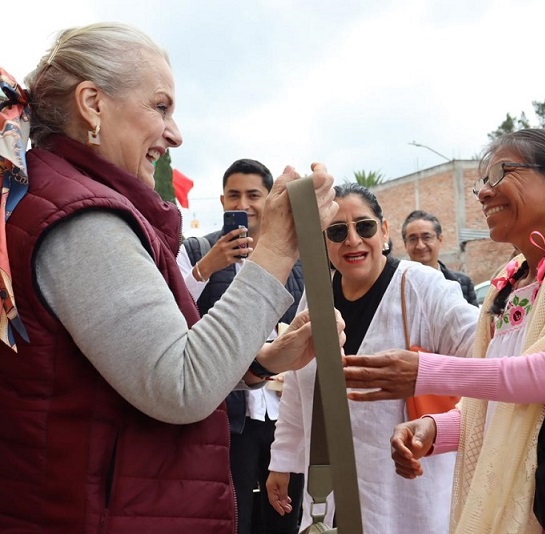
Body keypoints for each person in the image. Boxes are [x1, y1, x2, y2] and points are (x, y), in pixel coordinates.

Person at [0, 23, 340, 532]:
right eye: (161, 107)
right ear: (92, 103)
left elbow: (120, 373)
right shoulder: (81, 220)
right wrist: (275, 250)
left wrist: (262, 361)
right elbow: (178, 385)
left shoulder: (58, 199)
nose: (176, 134)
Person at [342, 129, 545, 533]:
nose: (483, 192)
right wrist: (434, 429)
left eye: (501, 173)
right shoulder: (510, 280)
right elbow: (504, 404)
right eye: (482, 181)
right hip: (541, 503)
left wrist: (426, 372)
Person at [267, 183, 479, 533]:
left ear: (383, 231)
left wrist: (423, 374)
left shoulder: (425, 288)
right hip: (329, 489)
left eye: (363, 226)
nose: (352, 240)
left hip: (406, 489)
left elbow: (486, 361)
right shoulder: (317, 297)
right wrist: (283, 460)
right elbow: (298, 384)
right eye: (337, 231)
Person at [177, 158, 305, 534]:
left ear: (271, 200)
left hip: (283, 412)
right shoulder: (197, 249)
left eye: (254, 195)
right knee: (233, 514)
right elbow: (172, 311)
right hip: (227, 412)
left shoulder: (295, 258)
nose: (243, 204)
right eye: (234, 195)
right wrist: (206, 267)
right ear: (221, 200)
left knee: (282, 513)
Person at [401, 209, 478, 305]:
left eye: (427, 237)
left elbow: (475, 320)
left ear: (440, 240)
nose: (420, 245)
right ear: (405, 244)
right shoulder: (397, 286)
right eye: (413, 239)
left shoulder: (463, 283)